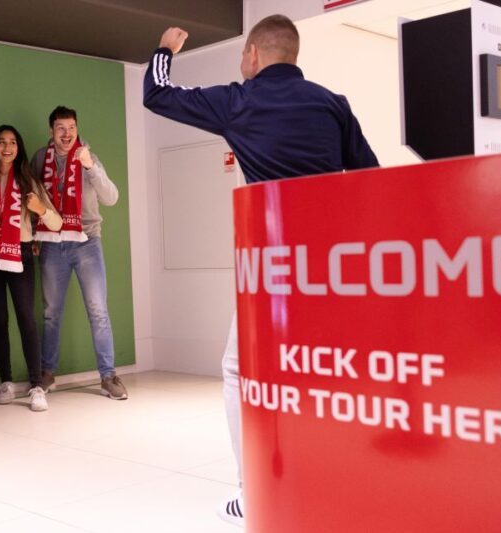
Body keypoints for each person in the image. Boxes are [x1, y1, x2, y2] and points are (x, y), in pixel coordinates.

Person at [143, 16, 379, 527]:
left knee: (240, 371)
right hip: (329, 267)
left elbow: (157, 95)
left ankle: (255, 491)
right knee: (319, 371)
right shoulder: (331, 103)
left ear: (252, 54)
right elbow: (370, 180)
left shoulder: (239, 99)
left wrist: (165, 48)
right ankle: (327, 474)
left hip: (270, 268)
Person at [30, 106, 128, 400]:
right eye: (60, 128)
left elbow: (111, 197)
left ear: (77, 129)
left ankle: (108, 376)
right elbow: (32, 198)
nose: (66, 134)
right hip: (52, 242)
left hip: (87, 241)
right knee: (50, 314)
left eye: (71, 127)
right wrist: (35, 233)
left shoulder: (89, 157)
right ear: (51, 131)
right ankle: (47, 373)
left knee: (98, 311)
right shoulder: (39, 159)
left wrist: (89, 167)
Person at [0, 125, 62, 412]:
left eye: (13, 142)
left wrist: (40, 209)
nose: (7, 147)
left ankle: (36, 386)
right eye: (2, 142)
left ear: (19, 147)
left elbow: (57, 224)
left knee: (26, 318)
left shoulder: (29, 180)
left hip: (22, 253)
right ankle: (6, 382)